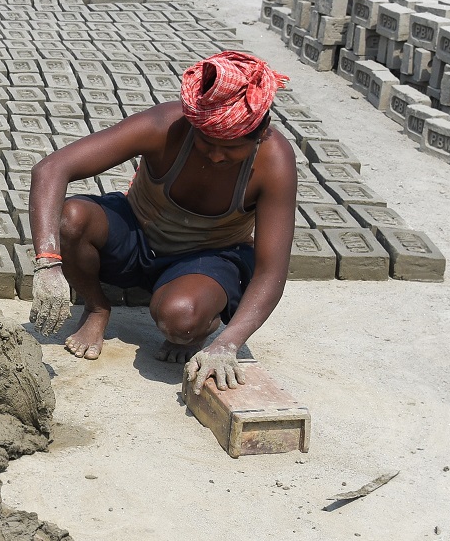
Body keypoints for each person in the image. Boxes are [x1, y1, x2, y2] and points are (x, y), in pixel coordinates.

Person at [26, 51, 296, 392]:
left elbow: (272, 271)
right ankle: (97, 307)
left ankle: (199, 317)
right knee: (70, 220)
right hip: (137, 234)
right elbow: (51, 169)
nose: (214, 155)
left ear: (259, 136)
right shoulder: (166, 126)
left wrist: (229, 342)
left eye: (230, 149)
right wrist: (48, 264)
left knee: (181, 318)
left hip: (207, 258)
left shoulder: (274, 163)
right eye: (205, 142)